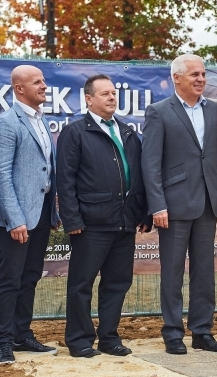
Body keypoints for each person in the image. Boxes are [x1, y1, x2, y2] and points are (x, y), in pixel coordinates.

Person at [141, 54, 217, 355]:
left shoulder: (215, 111)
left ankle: (202, 331)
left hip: (209, 203)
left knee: (204, 272)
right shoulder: (159, 112)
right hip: (173, 206)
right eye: (194, 74)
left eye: (203, 74)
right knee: (172, 273)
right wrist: (157, 205)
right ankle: (172, 334)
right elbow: (150, 163)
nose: (200, 79)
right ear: (177, 78)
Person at [57, 75, 151, 358]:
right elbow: (66, 180)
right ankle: (79, 340)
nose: (112, 97)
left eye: (114, 93)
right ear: (89, 99)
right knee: (81, 284)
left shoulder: (128, 132)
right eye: (105, 94)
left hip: (124, 223)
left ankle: (109, 338)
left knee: (117, 283)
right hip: (90, 225)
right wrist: (72, 220)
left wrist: (143, 211)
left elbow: (140, 175)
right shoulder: (75, 132)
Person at [0, 65, 60, 365]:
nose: (44, 86)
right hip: (15, 218)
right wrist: (15, 219)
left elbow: (45, 169)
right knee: (10, 279)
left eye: (43, 81)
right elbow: (0, 175)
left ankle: (22, 334)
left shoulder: (42, 121)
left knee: (30, 277)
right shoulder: (6, 123)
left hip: (41, 214)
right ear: (19, 89)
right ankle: (2, 342)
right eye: (37, 82)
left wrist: (52, 211)